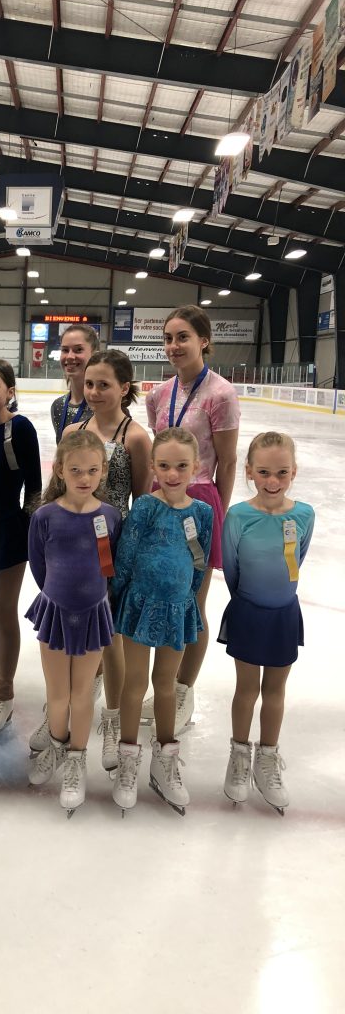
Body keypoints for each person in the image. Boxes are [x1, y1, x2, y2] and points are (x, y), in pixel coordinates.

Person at [39, 350, 152, 771]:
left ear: (125, 388)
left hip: (112, 545)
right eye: (89, 383)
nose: (94, 391)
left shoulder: (135, 437)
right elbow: (58, 484)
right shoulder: (74, 429)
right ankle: (61, 715)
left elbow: (140, 499)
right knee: (74, 636)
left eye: (104, 384)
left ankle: (112, 717)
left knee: (110, 638)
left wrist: (129, 559)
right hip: (72, 545)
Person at [144, 306, 239, 732]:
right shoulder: (158, 394)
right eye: (168, 338)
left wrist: (218, 515)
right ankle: (165, 683)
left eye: (182, 337)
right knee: (163, 594)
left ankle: (184, 688)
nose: (173, 345)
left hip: (199, 501)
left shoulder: (221, 394)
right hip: (160, 498)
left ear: (204, 341)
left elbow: (228, 461)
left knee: (192, 603)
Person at [111, 428, 213, 815]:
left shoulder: (202, 513)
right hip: (139, 605)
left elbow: (200, 563)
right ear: (153, 466)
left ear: (196, 466)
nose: (173, 474)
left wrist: (188, 599)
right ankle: (128, 759)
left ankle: (164, 760)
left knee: (166, 685)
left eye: (181, 466)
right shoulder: (145, 507)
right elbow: (125, 556)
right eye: (165, 465)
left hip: (176, 609)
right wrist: (117, 598)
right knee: (135, 684)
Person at [219, 432, 314, 814]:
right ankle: (239, 756)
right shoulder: (238, 517)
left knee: (275, 690)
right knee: (247, 689)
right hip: (248, 610)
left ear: (294, 472)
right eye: (263, 472)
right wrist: (247, 601)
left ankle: (268, 758)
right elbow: (230, 568)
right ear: (249, 471)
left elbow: (298, 559)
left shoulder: (304, 515)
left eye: (281, 473)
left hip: (283, 614)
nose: (272, 481)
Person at [26, 431, 121, 814]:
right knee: (58, 694)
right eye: (76, 470)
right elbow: (38, 564)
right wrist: (58, 595)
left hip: (93, 613)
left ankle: (76, 760)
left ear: (103, 470)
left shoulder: (110, 516)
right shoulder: (45, 516)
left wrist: (91, 595)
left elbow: (108, 566)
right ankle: (56, 742)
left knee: (82, 693)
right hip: (55, 612)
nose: (84, 477)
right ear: (60, 470)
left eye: (92, 470)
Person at [0, 358, 42, 734]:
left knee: (2, 610)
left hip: (11, 531)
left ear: (9, 391)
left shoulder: (20, 428)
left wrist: (31, 531)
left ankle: (4, 689)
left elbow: (34, 486)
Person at [50, 325, 99, 442]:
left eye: (78, 350)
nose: (70, 356)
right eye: (65, 350)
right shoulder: (58, 406)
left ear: (94, 354)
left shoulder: (103, 405)